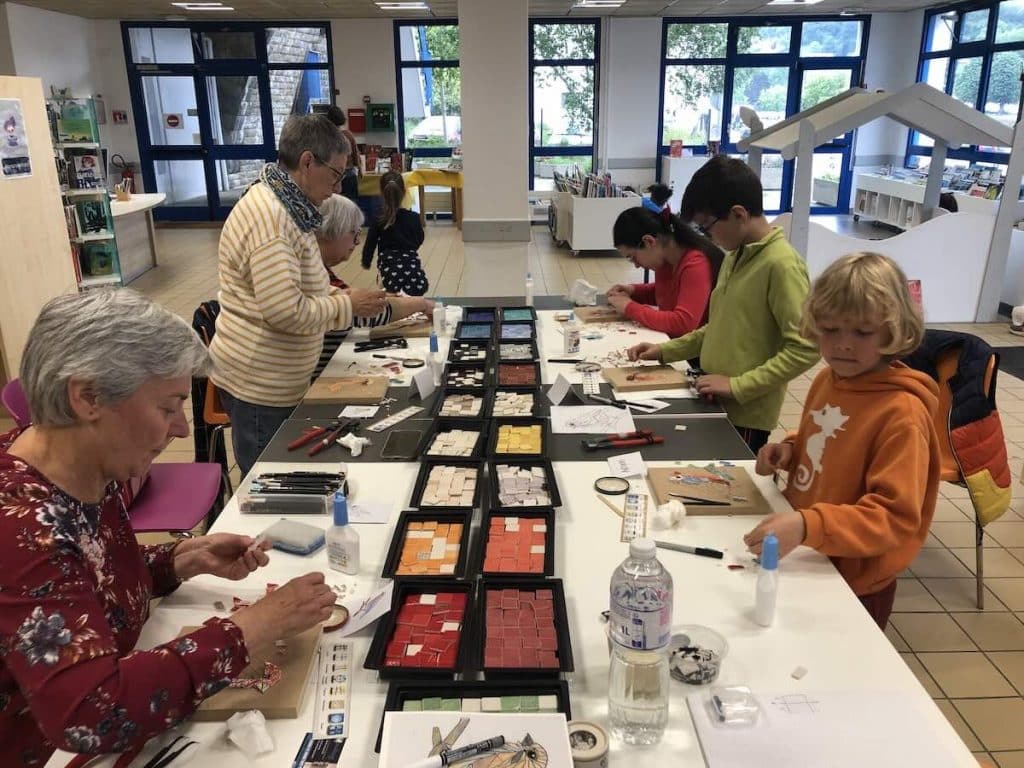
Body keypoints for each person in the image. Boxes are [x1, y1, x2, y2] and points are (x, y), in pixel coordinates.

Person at [0, 289, 338, 764]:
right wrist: (255, 626)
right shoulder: (20, 525)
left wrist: (175, 560)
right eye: (168, 406)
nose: (182, 429)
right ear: (88, 397)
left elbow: (79, 583)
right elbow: (92, 715)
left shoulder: (86, 464)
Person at [743, 252, 940, 630]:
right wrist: (790, 450)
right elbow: (827, 439)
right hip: (810, 555)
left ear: (894, 330)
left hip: (856, 581)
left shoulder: (902, 413)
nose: (842, 345)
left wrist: (806, 526)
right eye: (830, 330)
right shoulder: (828, 380)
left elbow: (894, 518)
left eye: (862, 332)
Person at [208, 113, 387, 478]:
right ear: (307, 161)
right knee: (268, 482)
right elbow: (285, 312)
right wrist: (347, 304)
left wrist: (340, 299)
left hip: (274, 379)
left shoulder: (291, 205)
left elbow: (304, 285)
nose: (337, 188)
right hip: (259, 384)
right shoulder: (272, 219)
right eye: (335, 174)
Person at [626, 155, 819, 452]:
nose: (707, 236)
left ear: (739, 215)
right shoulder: (735, 256)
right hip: (714, 397)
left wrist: (737, 386)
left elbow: (805, 348)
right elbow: (717, 328)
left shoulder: (782, 265)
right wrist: (664, 350)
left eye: (707, 226)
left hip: (746, 416)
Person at [314, 194, 435, 378]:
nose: (356, 242)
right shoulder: (314, 272)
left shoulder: (319, 269)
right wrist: (421, 304)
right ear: (332, 232)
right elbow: (362, 312)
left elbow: (350, 297)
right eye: (353, 234)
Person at [609, 206, 723, 338]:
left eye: (633, 257)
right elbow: (667, 292)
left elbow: (683, 324)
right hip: (676, 344)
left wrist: (629, 307)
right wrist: (633, 291)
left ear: (649, 242)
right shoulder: (665, 260)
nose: (636, 265)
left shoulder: (696, 264)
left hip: (698, 351)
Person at [361, 170, 428, 296]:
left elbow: (370, 244)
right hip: (412, 269)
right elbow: (419, 239)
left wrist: (366, 261)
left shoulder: (379, 219)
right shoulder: (413, 217)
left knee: (389, 294)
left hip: (388, 273)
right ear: (404, 193)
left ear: (382, 193)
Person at [323, 105, 362, 202]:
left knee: (336, 204)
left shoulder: (326, 136)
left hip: (333, 176)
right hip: (350, 175)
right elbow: (356, 155)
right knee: (351, 204)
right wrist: (360, 170)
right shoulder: (348, 135)